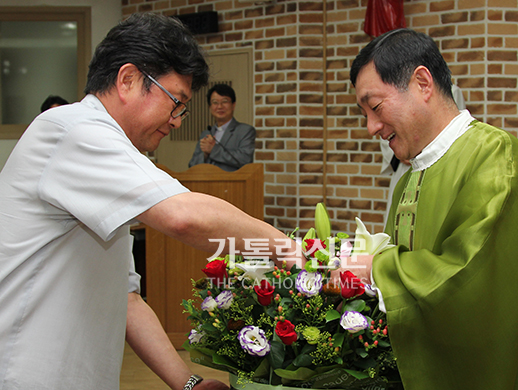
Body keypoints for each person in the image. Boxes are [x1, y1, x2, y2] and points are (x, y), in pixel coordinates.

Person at [0, 13, 300, 390]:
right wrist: (294, 251)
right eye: (176, 102)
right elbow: (183, 216)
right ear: (128, 80)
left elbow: (125, 300)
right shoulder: (72, 130)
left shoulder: (110, 159)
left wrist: (188, 383)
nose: (177, 120)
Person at [349, 28, 518, 389]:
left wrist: (377, 270)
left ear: (422, 83)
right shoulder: (411, 176)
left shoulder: (494, 157)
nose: (371, 127)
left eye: (375, 107)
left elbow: (470, 276)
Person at [379, 84, 466, 225]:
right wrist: (401, 153)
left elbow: (455, 132)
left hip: (437, 169)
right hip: (405, 168)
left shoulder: (450, 92)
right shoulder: (393, 94)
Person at [188, 84, 255, 172]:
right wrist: (205, 154)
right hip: (205, 183)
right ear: (210, 107)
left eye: (224, 101)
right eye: (215, 102)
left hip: (232, 184)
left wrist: (213, 150)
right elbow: (192, 165)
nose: (219, 106)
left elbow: (245, 159)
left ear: (233, 105)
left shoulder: (245, 131)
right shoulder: (206, 133)